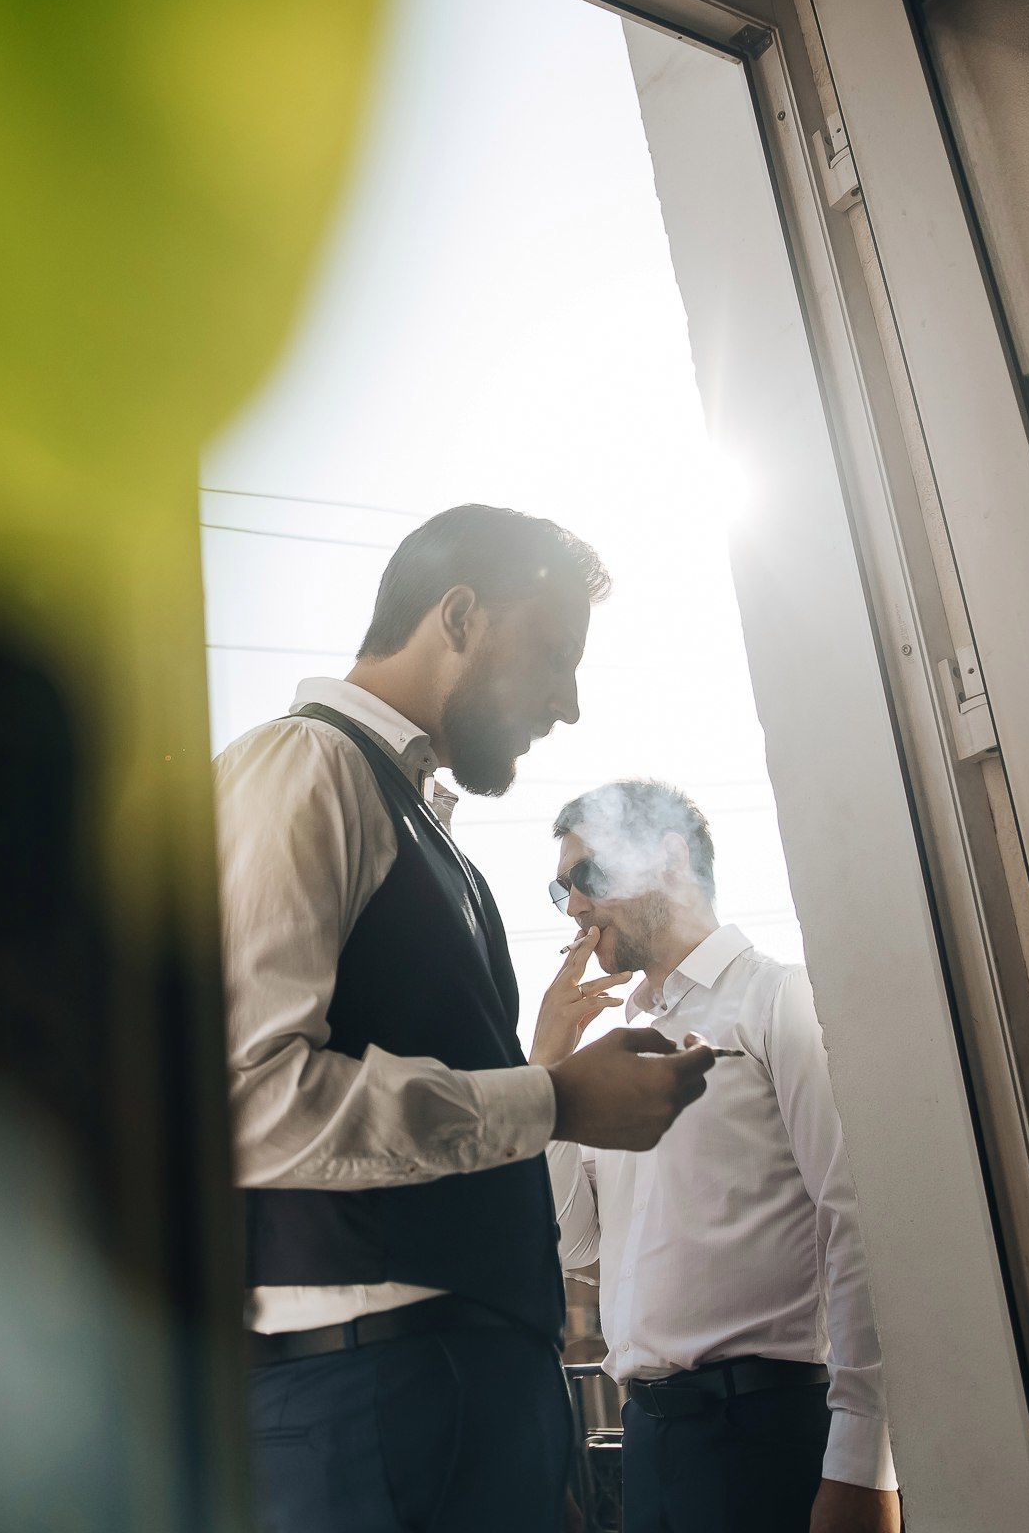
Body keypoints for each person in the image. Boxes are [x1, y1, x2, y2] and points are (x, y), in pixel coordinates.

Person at [218, 505, 720, 1532]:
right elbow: (247, 1097)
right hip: (370, 1404)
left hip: (455, 1401)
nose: (567, 703)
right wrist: (555, 1096)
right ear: (458, 616)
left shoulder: (421, 825)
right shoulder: (303, 769)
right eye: (552, 653)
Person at [535, 780, 902, 1533]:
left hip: (765, 1433)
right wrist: (548, 1072)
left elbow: (856, 1222)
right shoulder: (615, 1050)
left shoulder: (779, 1001)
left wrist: (863, 1463)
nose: (573, 906)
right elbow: (576, 1241)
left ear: (668, 858)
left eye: (589, 877)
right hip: (649, 1444)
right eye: (560, 888)